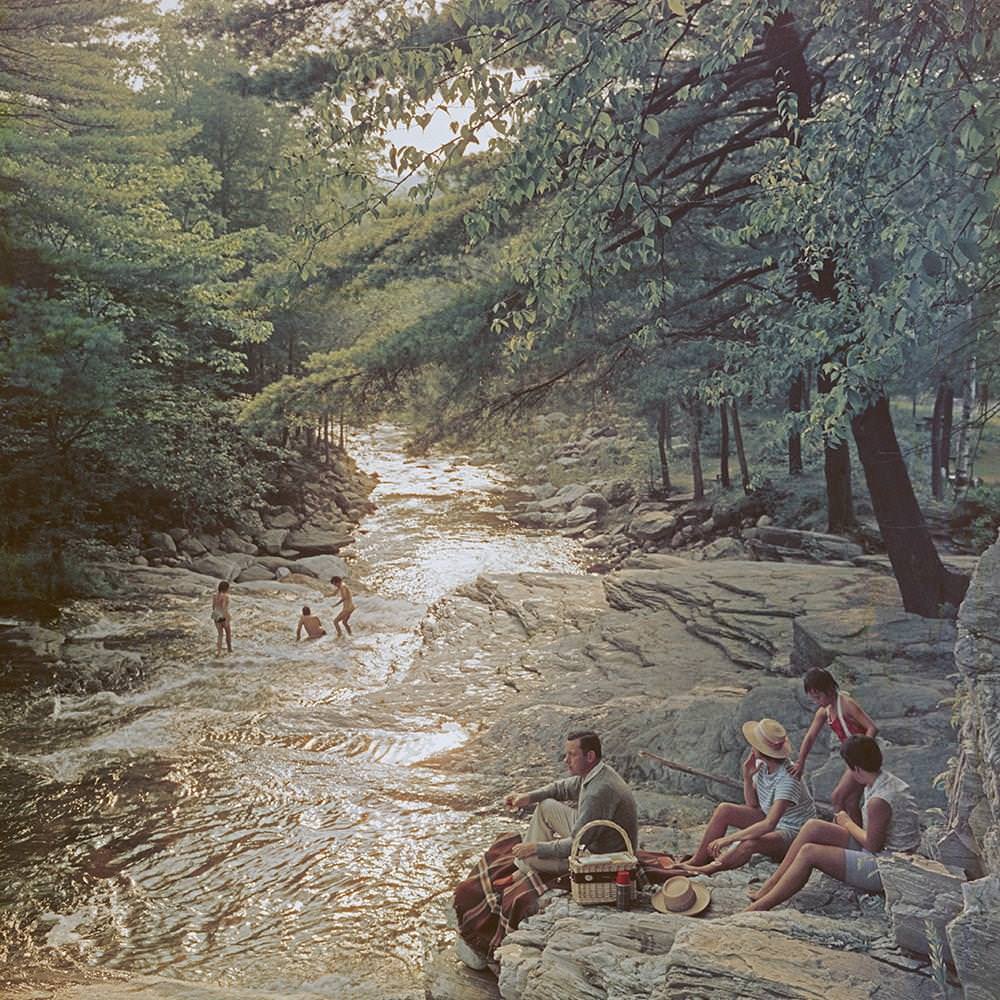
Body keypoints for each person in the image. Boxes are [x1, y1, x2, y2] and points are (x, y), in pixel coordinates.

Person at [748, 735, 921, 911]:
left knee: (809, 853)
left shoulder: (880, 799)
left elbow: (873, 844)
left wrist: (846, 822)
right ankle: (768, 887)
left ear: (857, 769)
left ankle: (760, 907)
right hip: (879, 851)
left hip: (889, 868)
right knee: (813, 826)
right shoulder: (880, 779)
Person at [680, 718, 816, 876]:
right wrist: (747, 776)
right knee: (725, 810)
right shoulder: (762, 766)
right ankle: (698, 860)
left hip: (793, 834)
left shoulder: (788, 778)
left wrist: (729, 839)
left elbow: (768, 825)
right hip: (772, 821)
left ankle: (708, 869)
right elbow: (752, 804)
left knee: (750, 841)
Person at [505, 730, 638, 875]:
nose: (566, 760)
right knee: (546, 805)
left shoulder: (597, 793)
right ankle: (523, 868)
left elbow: (577, 843)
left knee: (530, 858)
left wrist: (535, 848)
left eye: (572, 754)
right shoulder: (598, 773)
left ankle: (524, 868)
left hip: (604, 859)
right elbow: (560, 788)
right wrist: (527, 797)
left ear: (590, 756)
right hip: (595, 838)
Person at [790, 667, 877, 824]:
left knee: (837, 797)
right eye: (814, 698)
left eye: (818, 697)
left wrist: (862, 752)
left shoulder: (847, 704)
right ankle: (857, 841)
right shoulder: (825, 710)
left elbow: (872, 728)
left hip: (862, 757)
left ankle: (838, 834)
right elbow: (810, 737)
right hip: (853, 758)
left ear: (829, 689)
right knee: (851, 802)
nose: (817, 702)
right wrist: (801, 762)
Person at [211, 581, 231, 655]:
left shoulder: (214, 595)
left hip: (216, 614)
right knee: (228, 633)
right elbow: (224, 607)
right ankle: (229, 649)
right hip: (222, 615)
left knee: (220, 634)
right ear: (226, 588)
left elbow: (213, 606)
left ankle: (218, 652)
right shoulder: (225, 596)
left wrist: (216, 613)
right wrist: (228, 617)